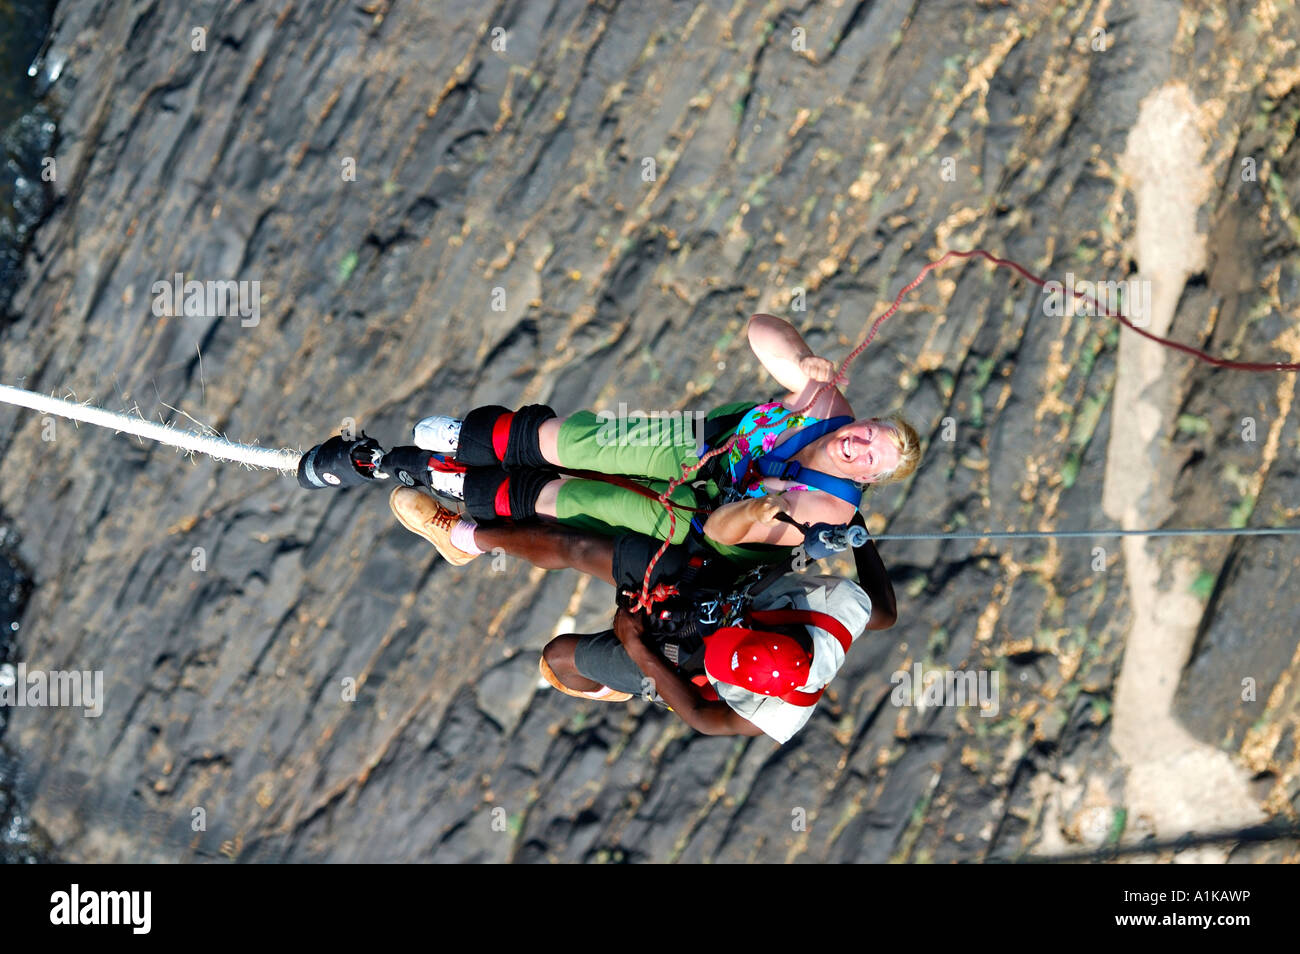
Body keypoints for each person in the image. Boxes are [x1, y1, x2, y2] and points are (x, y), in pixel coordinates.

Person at [297, 314, 921, 567]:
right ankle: (477, 439)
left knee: (572, 498)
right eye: (870, 434)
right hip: (698, 445)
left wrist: (755, 510)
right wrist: (806, 360)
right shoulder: (827, 405)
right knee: (576, 441)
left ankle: (431, 478)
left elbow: (727, 534)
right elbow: (760, 329)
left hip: (701, 518)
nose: (860, 446)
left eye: (872, 459)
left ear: (865, 480)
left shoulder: (825, 509)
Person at [388, 486, 898, 743]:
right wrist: (858, 526)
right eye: (734, 637)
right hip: (713, 595)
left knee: (560, 657)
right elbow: (887, 614)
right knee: (583, 545)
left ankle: (615, 685)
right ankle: (464, 538)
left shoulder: (777, 715)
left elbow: (700, 718)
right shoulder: (839, 610)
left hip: (682, 670)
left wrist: (636, 647)